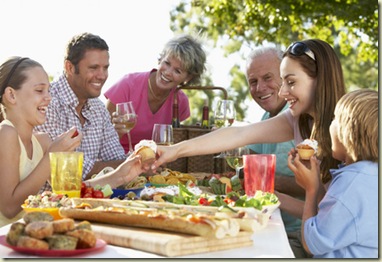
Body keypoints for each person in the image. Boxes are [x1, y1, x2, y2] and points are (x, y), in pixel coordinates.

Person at [152, 39, 346, 257]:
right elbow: (239, 133)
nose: (282, 92)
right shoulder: (297, 120)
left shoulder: (347, 132)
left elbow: (331, 217)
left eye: (290, 82)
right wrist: (175, 150)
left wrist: (280, 194)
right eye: (283, 82)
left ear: (320, 80)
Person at [0, 56, 145, 227]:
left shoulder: (43, 141)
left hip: (35, 233)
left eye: (48, 90)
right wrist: (52, 156)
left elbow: (72, 193)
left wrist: (120, 174)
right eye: (40, 91)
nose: (48, 97)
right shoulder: (6, 133)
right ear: (11, 95)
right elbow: (9, 208)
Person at [287, 89, 378, 258]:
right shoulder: (368, 175)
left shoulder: (352, 183)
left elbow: (311, 243)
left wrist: (311, 189)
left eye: (335, 119)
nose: (331, 123)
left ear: (349, 131)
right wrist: (313, 182)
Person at [35, 32, 127, 182]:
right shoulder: (47, 102)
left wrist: (141, 161)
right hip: (49, 202)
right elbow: (67, 169)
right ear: (69, 67)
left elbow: (116, 157)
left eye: (105, 68)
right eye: (93, 68)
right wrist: (127, 166)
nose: (102, 75)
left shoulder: (98, 108)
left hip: (91, 202)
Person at [104, 34, 207, 153]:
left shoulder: (180, 101)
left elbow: (172, 143)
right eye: (167, 63)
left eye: (177, 71)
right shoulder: (127, 85)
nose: (168, 72)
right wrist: (117, 132)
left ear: (188, 78)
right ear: (161, 58)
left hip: (155, 163)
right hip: (117, 158)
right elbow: (101, 139)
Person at [244, 46, 304, 238]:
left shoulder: (300, 115)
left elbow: (322, 186)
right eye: (253, 81)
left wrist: (265, 182)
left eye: (267, 78)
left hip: (294, 234)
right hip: (265, 223)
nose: (260, 88)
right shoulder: (266, 116)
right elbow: (250, 163)